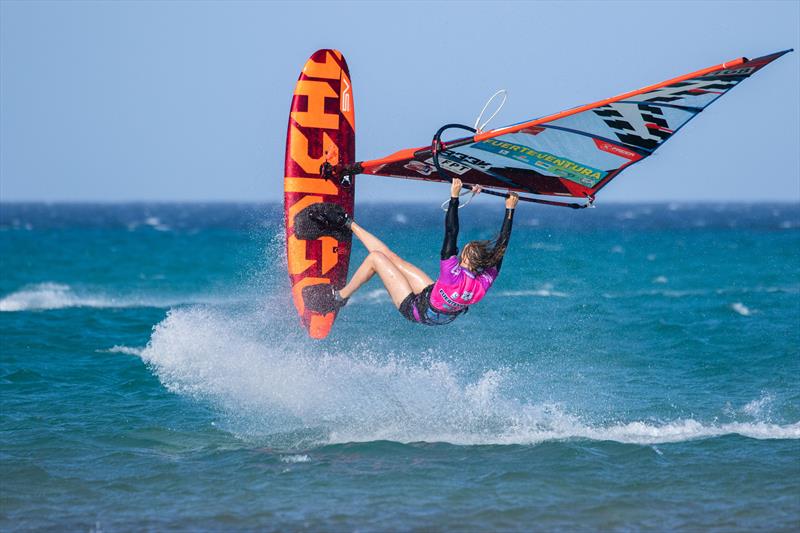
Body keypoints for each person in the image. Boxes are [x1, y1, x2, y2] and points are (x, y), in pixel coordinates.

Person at [303, 178, 519, 325]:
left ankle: (339, 297)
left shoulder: (452, 273)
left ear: (463, 257)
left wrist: (454, 197)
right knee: (393, 259)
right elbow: (501, 249)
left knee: (376, 259)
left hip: (416, 309)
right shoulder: (481, 284)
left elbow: (451, 231)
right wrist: (510, 210)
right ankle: (347, 223)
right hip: (434, 299)